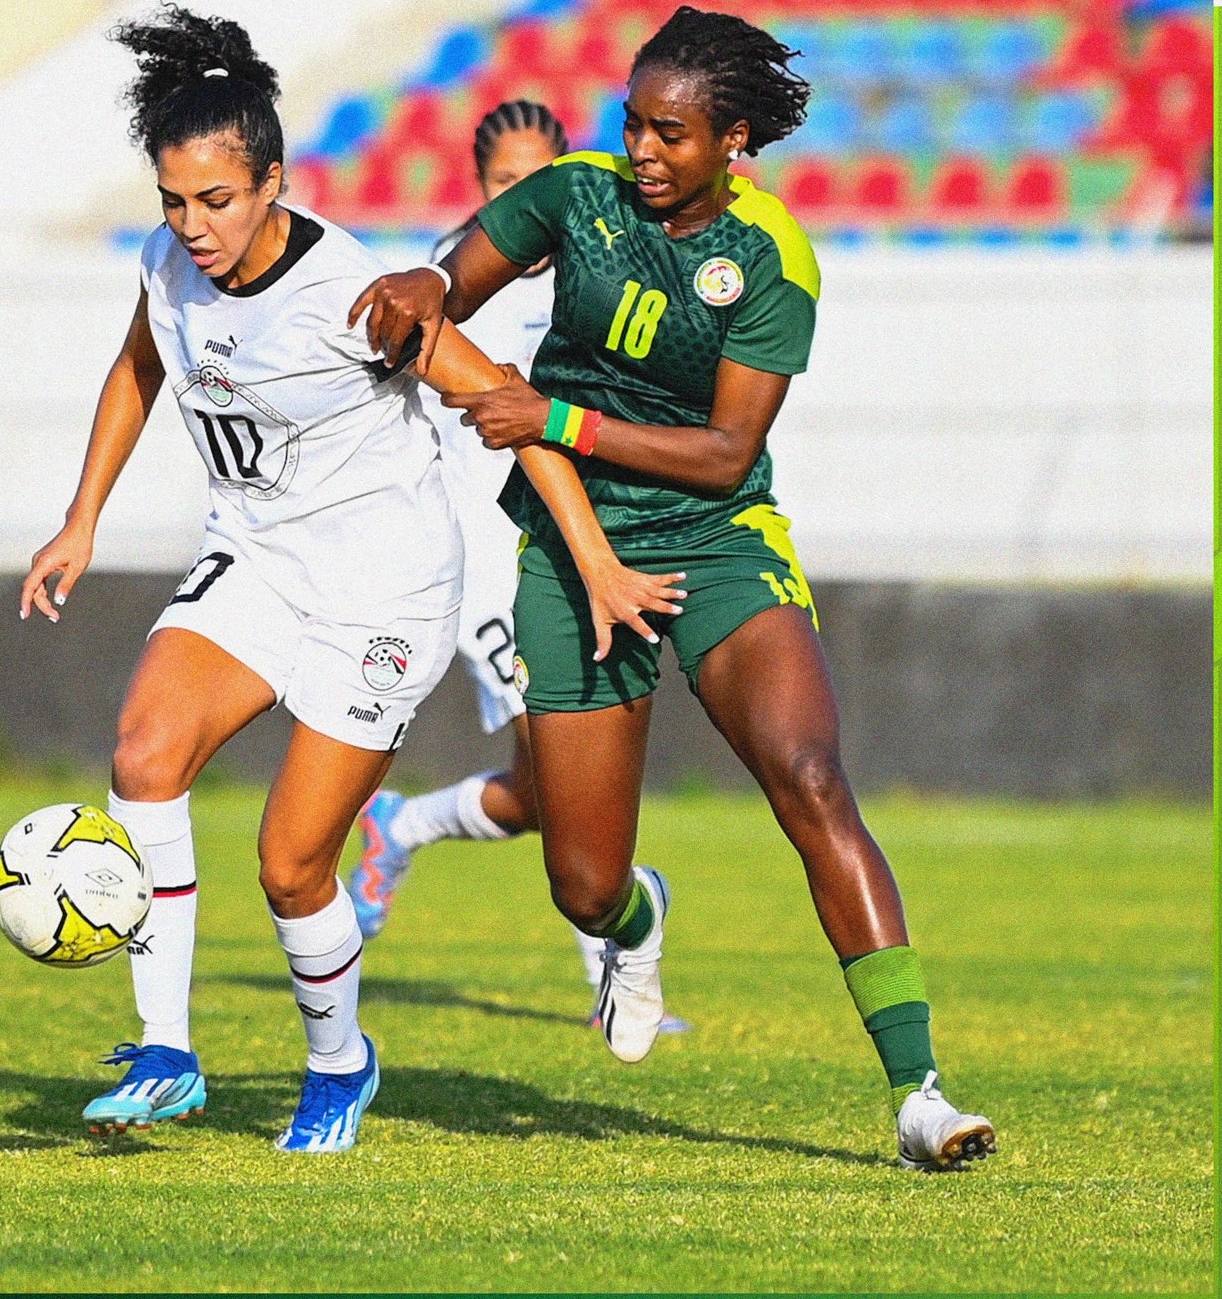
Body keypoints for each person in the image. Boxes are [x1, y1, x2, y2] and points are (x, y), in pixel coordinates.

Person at [19, 7, 678, 1153]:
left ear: (273, 182)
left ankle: (340, 1062)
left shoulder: (357, 299)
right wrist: (80, 520)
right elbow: (138, 365)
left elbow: (508, 416)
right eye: (174, 202)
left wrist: (598, 557)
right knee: (143, 753)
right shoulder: (167, 261)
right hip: (260, 559)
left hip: (384, 587)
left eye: (217, 200)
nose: (194, 225)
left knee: (291, 866)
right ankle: (167, 1051)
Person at [351, 5, 996, 1170]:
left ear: (735, 140)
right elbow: (459, 277)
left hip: (717, 539)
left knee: (811, 779)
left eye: (672, 133)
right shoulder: (576, 194)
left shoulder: (770, 259)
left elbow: (725, 453)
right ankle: (636, 923)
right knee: (583, 885)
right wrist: (421, 280)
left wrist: (550, 416)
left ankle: (920, 1095)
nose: (642, 150)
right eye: (635, 123)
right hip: (567, 542)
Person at [348, 99, 689, 1036]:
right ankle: (616, 980)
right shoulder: (450, 281)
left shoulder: (598, 261)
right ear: (482, 185)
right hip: (489, 558)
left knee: (550, 791)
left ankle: (403, 826)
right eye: (506, 182)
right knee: (566, 767)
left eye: (538, 177)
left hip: (574, 535)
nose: (522, 196)